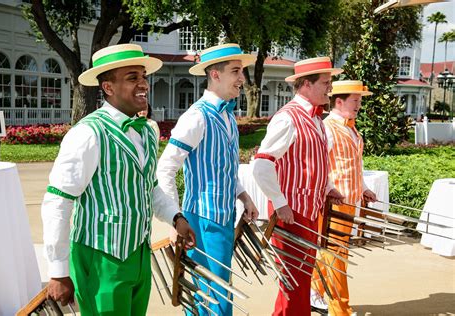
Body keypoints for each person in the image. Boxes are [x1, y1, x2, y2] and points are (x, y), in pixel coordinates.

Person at [41, 43, 195, 315]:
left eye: (143, 77)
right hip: (100, 258)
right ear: (108, 87)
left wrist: (176, 217)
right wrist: (58, 271)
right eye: (132, 77)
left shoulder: (147, 131)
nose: (143, 84)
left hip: (138, 255)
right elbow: (58, 201)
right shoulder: (88, 134)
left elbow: (151, 188)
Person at [157, 43, 259, 315]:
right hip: (201, 221)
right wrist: (174, 218)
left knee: (218, 293)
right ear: (215, 74)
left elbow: (225, 166)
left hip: (223, 219)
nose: (241, 78)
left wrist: (243, 195)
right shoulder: (196, 117)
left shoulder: (227, 114)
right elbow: (165, 168)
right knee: (211, 298)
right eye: (235, 71)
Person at [252, 57, 345, 316]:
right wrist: (280, 204)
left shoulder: (316, 119)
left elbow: (314, 161)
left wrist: (327, 187)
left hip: (308, 211)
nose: (330, 88)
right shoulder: (288, 119)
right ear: (306, 84)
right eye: (326, 83)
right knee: (294, 282)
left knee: (300, 280)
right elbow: (261, 165)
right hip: (291, 214)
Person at [311, 80, 377, 316]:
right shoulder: (328, 127)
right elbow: (319, 165)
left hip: (349, 201)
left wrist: (364, 187)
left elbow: (353, 163)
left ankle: (315, 292)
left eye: (359, 100)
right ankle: (340, 310)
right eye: (355, 101)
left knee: (332, 251)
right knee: (337, 255)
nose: (359, 105)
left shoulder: (350, 127)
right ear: (339, 101)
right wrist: (329, 191)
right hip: (335, 203)